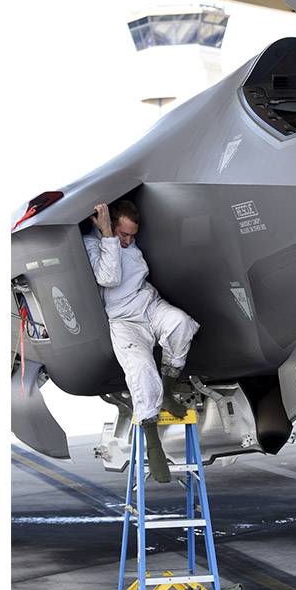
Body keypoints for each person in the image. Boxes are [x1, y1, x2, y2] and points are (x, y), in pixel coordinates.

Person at [84, 200, 199, 483]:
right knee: (141, 370)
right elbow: (108, 278)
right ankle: (152, 440)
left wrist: (118, 236)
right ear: (108, 226)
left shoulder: (127, 242)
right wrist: (108, 236)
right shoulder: (93, 243)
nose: (128, 240)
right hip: (124, 321)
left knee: (181, 324)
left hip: (148, 303)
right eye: (123, 233)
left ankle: (168, 391)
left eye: (132, 235)